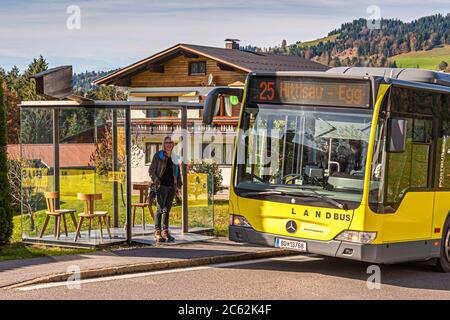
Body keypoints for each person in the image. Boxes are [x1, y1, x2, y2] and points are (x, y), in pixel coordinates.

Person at [149, 136, 182, 242]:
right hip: (161, 186)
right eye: (167, 142)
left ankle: (165, 231)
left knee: (167, 210)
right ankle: (157, 232)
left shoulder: (175, 157)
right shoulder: (158, 155)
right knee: (159, 209)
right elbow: (151, 170)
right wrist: (156, 180)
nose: (169, 144)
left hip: (172, 187)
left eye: (170, 143)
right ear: (164, 144)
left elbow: (178, 173)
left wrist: (179, 185)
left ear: (173, 145)